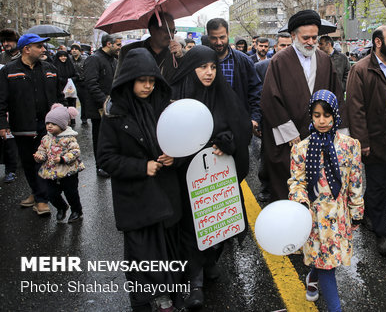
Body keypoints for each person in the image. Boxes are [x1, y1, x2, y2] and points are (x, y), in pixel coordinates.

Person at [98, 48, 182, 312]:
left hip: (165, 193)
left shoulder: (163, 109)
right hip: (135, 198)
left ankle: (168, 292)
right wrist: (140, 166)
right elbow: (106, 159)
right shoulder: (114, 115)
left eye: (152, 80)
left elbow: (180, 144)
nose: (148, 86)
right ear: (128, 80)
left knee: (168, 247)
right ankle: (147, 298)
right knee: (143, 251)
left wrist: (174, 158)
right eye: (141, 80)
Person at [169, 45, 252, 310]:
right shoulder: (176, 98)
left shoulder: (222, 94)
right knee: (191, 227)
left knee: (218, 218)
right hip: (186, 177)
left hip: (216, 177)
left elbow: (238, 127)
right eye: (203, 67)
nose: (209, 73)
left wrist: (227, 141)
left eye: (213, 67)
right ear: (190, 69)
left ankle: (209, 261)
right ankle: (195, 280)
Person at [288, 90, 363, 312]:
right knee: (327, 265)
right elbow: (296, 182)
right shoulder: (301, 148)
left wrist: (356, 210)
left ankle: (312, 276)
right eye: (316, 115)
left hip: (339, 215)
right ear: (310, 116)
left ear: (335, 115)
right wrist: (301, 203)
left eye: (327, 115)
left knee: (329, 261)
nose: (322, 121)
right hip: (314, 217)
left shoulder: (350, 146)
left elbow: (355, 181)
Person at [261, 9, 346, 201]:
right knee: (290, 186)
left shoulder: (325, 60)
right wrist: (290, 133)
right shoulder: (279, 61)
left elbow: (337, 95)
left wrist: (340, 131)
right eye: (306, 37)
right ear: (293, 36)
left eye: (314, 37)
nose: (310, 42)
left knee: (320, 187)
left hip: (321, 134)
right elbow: (269, 99)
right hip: (291, 139)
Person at [345, 25, 386, 255]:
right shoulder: (360, 69)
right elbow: (355, 108)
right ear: (378, 42)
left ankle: (368, 213)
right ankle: (382, 232)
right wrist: (362, 141)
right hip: (374, 140)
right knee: (378, 185)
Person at [0, 33, 65, 215]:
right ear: (27, 49)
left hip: (47, 127)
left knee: (42, 161)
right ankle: (36, 193)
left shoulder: (50, 69)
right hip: (22, 127)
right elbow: (1, 100)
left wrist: (63, 117)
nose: (43, 49)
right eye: (39, 46)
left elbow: (60, 97)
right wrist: (2, 124)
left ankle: (42, 200)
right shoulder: (8, 71)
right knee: (28, 163)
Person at [202, 18, 262, 135]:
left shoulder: (243, 60)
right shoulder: (200, 61)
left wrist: (254, 118)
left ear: (228, 35)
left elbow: (255, 91)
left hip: (238, 125)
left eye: (222, 37)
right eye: (214, 38)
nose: (219, 42)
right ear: (208, 36)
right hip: (208, 126)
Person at [254, 33, 292, 202]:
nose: (285, 49)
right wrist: (258, 123)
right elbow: (257, 96)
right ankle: (266, 187)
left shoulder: (296, 68)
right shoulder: (261, 67)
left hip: (290, 121)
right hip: (268, 121)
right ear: (276, 47)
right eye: (282, 45)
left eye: (289, 45)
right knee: (267, 156)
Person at [33, 104, 85, 222]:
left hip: (68, 171)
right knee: (51, 194)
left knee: (71, 193)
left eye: (53, 124)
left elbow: (75, 151)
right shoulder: (46, 138)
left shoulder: (69, 138)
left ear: (62, 125)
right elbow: (42, 150)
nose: (49, 126)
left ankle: (76, 210)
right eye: (47, 123)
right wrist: (40, 156)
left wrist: (63, 159)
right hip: (51, 171)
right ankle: (61, 207)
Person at [83, 33, 121, 177]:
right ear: (108, 44)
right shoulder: (94, 59)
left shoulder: (114, 60)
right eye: (118, 44)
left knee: (111, 138)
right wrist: (105, 102)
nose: (120, 47)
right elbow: (91, 84)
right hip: (99, 108)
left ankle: (109, 163)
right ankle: (100, 166)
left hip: (112, 106)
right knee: (99, 137)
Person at [117, 11, 184, 83]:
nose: (171, 35)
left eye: (173, 31)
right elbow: (119, 84)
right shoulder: (128, 51)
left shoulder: (177, 54)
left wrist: (179, 57)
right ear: (152, 30)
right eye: (166, 30)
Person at [0, 29, 21, 183]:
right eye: (3, 41)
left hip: (20, 104)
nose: (6, 44)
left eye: (9, 41)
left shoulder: (23, 57)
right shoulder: (2, 57)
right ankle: (10, 169)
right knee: (7, 139)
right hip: (4, 103)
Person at [53, 50, 77, 121]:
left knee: (71, 104)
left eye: (64, 56)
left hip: (70, 89)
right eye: (61, 56)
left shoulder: (70, 65)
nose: (63, 58)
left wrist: (71, 79)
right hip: (60, 89)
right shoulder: (55, 66)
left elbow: (76, 74)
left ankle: (72, 119)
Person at [69, 43, 89, 124]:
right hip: (72, 83)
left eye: (76, 49)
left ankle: (84, 117)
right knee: (71, 101)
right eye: (72, 49)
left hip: (82, 83)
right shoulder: (69, 59)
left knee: (83, 101)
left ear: (80, 51)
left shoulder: (85, 59)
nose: (74, 51)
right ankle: (72, 118)